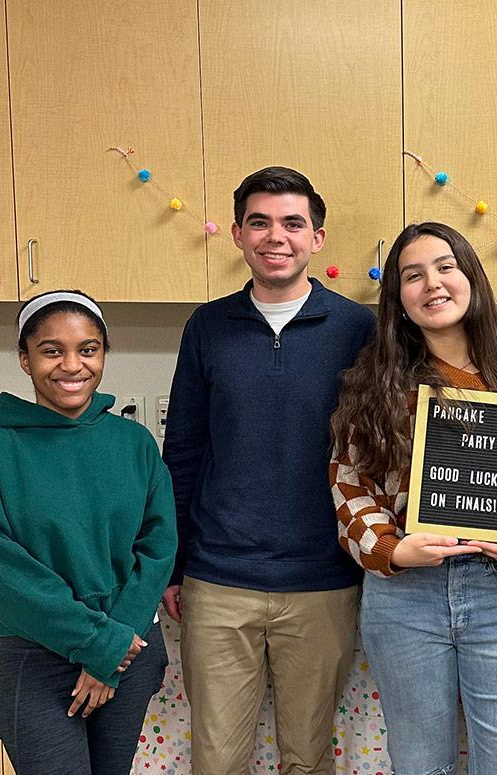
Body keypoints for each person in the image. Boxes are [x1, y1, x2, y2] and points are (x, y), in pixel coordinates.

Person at [161, 166, 375, 773]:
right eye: (259, 222)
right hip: (218, 581)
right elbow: (184, 452)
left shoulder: (360, 329)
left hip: (323, 581)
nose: (275, 236)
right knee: (217, 759)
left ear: (317, 238)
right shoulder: (207, 327)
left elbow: (383, 453)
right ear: (237, 234)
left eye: (291, 223)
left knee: (307, 758)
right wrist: (175, 566)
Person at [329, 221, 497, 775]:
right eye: (412, 276)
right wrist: (391, 550)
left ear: (472, 280)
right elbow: (348, 481)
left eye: (445, 267)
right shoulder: (372, 382)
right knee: (420, 765)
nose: (432, 284)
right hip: (405, 597)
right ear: (398, 301)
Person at [0, 290, 176, 775]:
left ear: (102, 354)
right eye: (52, 350)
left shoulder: (133, 443)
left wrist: (113, 646)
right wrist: (97, 645)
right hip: (39, 654)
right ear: (24, 359)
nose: (72, 365)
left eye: (88, 349)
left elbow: (158, 547)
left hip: (128, 650)